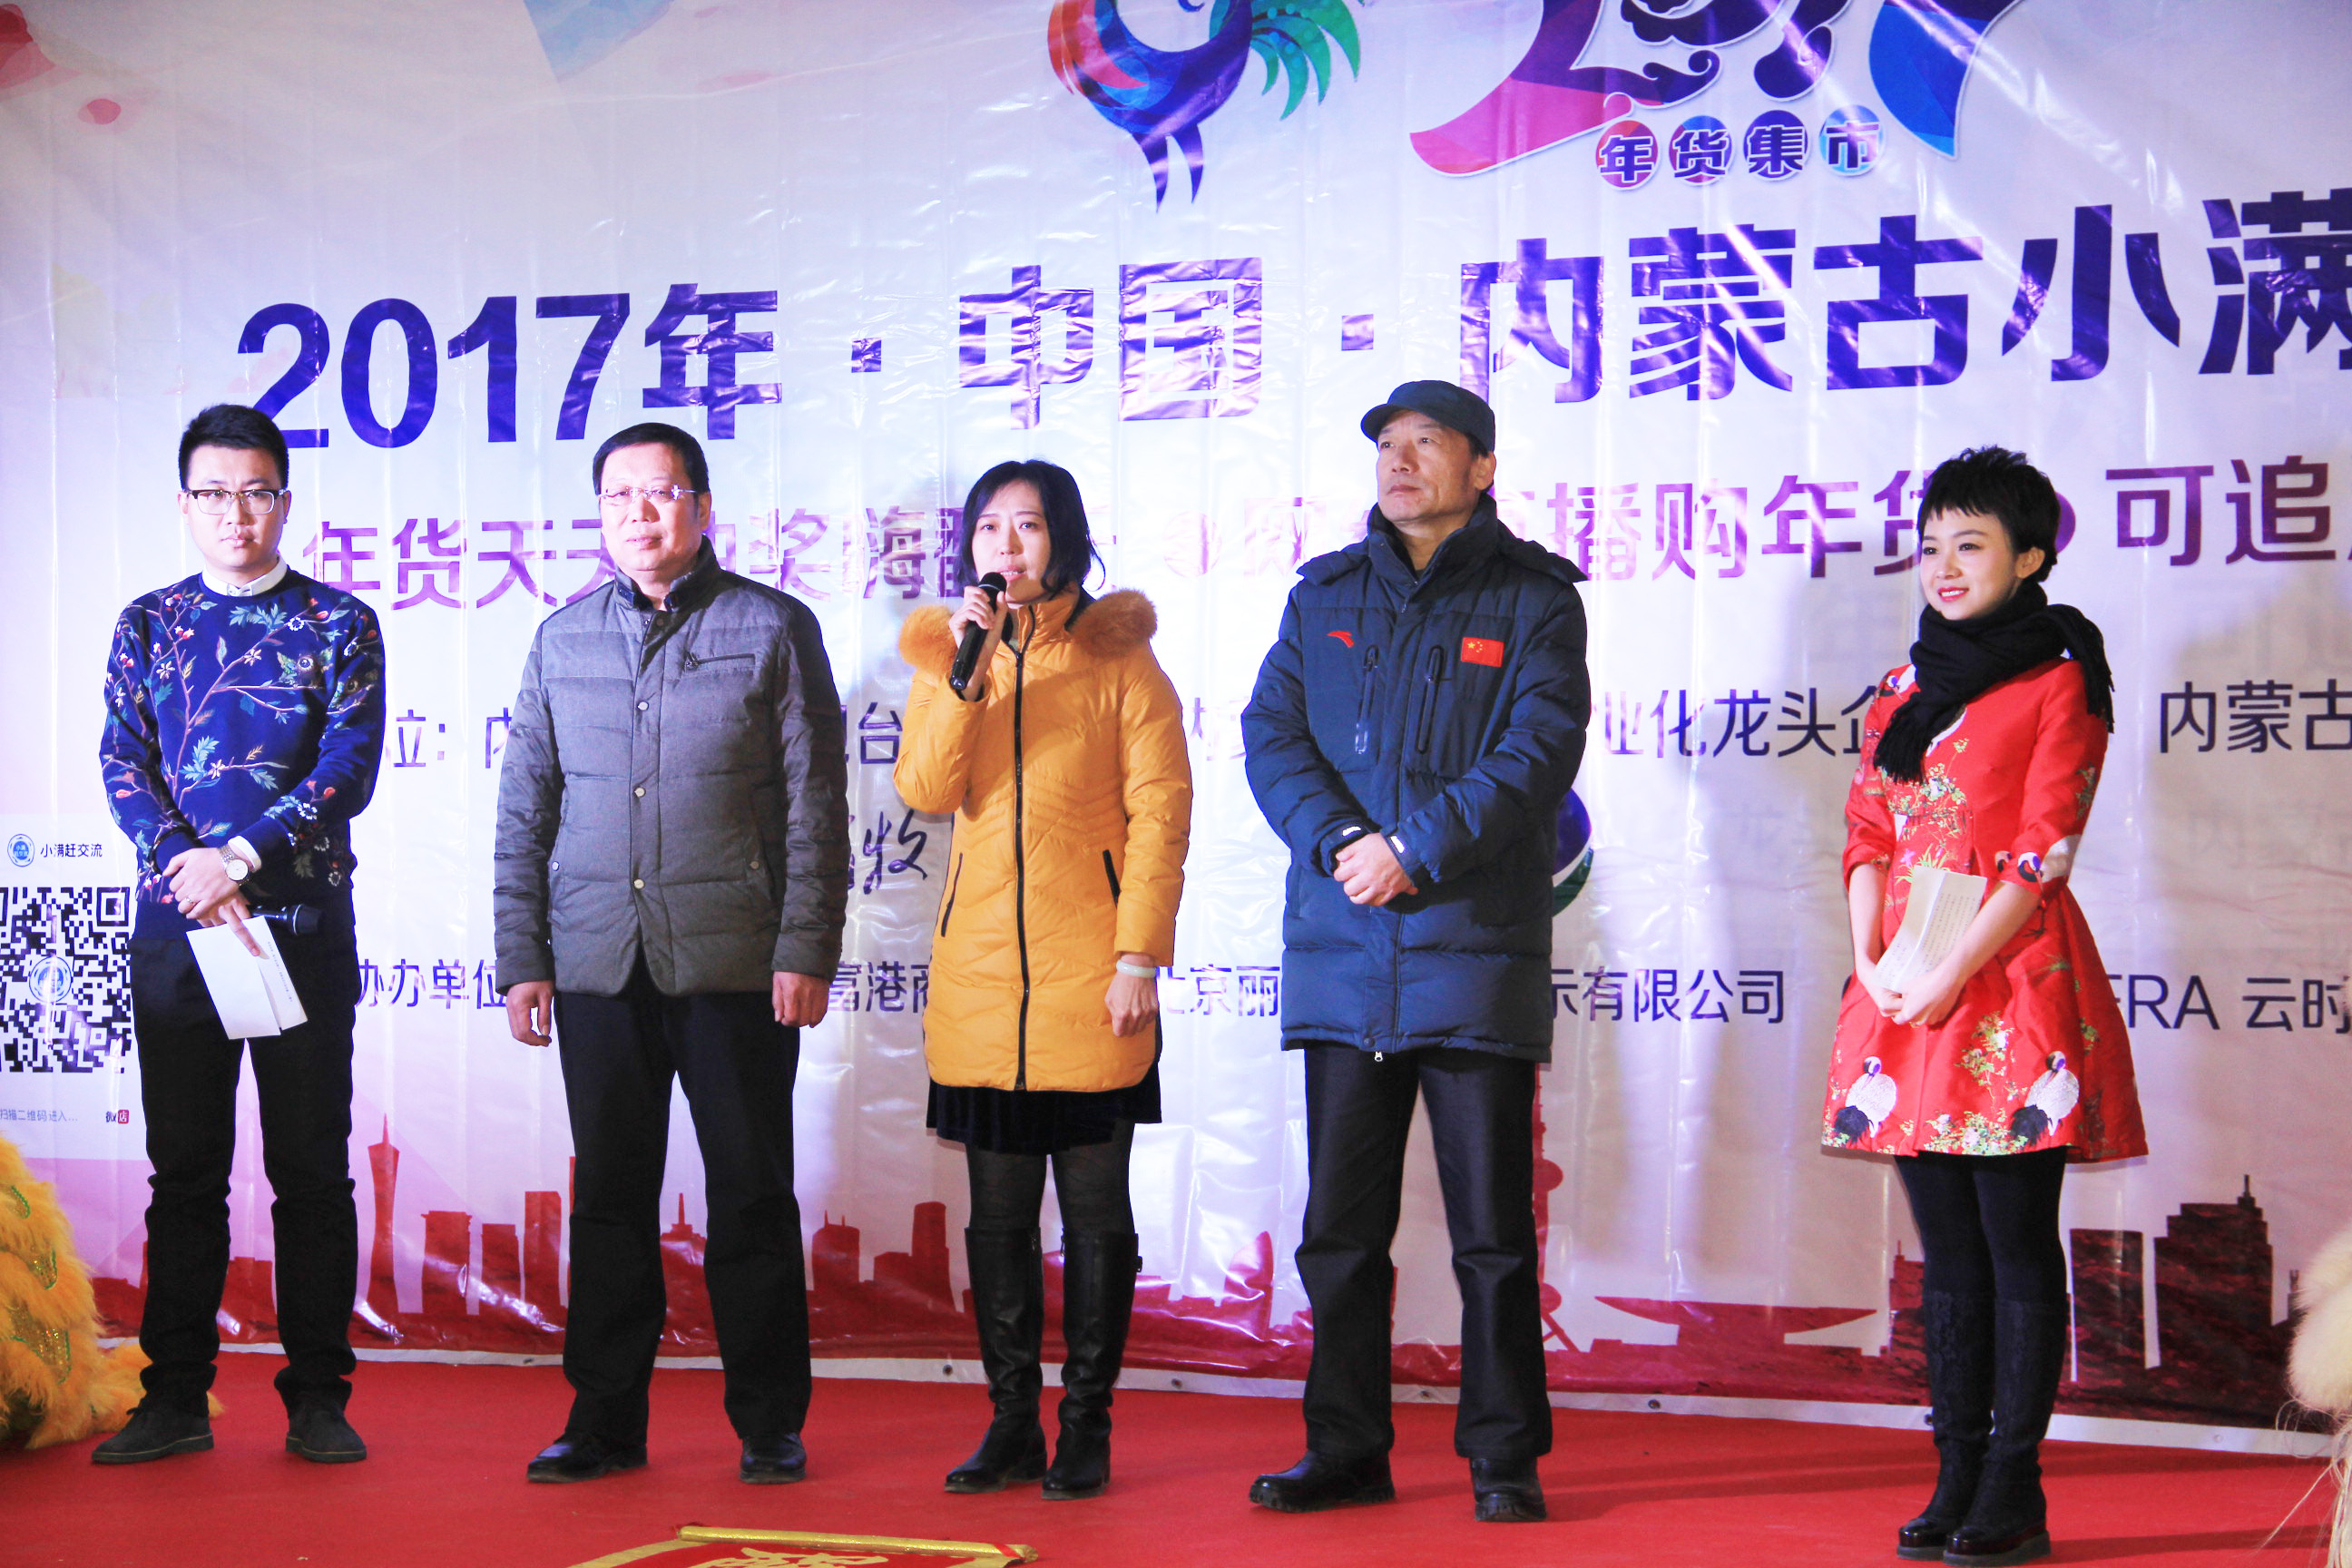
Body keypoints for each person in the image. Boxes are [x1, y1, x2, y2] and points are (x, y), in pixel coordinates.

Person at [1240, 380, 1589, 1524]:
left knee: (1493, 1237)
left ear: (1481, 468)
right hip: (1346, 953)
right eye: (1386, 443)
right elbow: (1271, 734)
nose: (1398, 461)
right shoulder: (1323, 595)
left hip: (1471, 953)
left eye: (1425, 443)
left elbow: (1536, 751)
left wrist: (1414, 851)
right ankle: (1344, 1449)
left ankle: (1504, 1457)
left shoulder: (1535, 599)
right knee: (1339, 1234)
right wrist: (1345, 843)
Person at [494, 421, 848, 1485]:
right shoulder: (562, 640)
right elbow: (524, 811)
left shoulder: (771, 626)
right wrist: (523, 954)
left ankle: (770, 1423)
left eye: (659, 492)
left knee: (750, 1193)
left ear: (701, 506)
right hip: (598, 962)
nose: (638, 514)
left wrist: (807, 946)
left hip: (737, 963)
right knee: (609, 1197)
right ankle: (603, 1421)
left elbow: (816, 805)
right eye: (617, 496)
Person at [1824, 446, 2145, 1566]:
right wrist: (1871, 960)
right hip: (1905, 984)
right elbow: (1867, 831)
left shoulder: (2061, 679)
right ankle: (1955, 1466)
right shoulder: (1901, 688)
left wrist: (1955, 967)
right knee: (1946, 1251)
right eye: (1932, 547)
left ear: (2031, 558)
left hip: (2008, 980)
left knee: (2014, 1243)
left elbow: (2044, 850)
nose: (1946, 567)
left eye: (1972, 545)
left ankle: (2015, 1483)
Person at [893, 459, 1191, 1502]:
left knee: (1098, 1218)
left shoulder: (1120, 660)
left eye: (1027, 526)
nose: (1006, 546)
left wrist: (1137, 955)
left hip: (1092, 982)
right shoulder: (949, 653)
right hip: (980, 983)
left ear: (1064, 537)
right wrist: (965, 672)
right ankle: (1011, 1423)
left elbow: (1161, 817)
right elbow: (927, 786)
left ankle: (1087, 1424)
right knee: (998, 1221)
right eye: (989, 528)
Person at [94, 404, 386, 1465]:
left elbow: (349, 765)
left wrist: (244, 859)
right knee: (185, 1175)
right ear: (185, 505)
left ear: (285, 503)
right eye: (214, 493)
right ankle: (174, 1397)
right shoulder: (149, 623)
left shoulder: (338, 623)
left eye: (256, 492)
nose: (236, 513)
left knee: (311, 1171)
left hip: (297, 925)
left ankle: (318, 1398)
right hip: (179, 931)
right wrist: (191, 865)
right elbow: (123, 761)